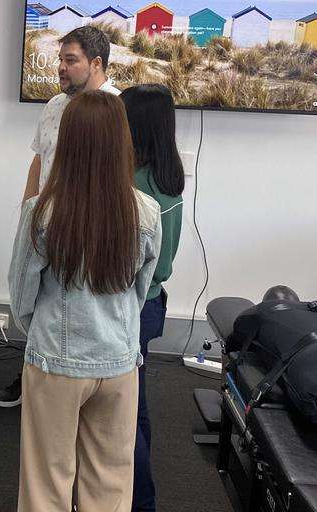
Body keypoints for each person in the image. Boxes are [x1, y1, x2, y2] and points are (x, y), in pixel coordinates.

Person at [9, 90, 162, 512]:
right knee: (111, 484)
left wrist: (40, 335)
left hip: (55, 362)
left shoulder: (41, 211)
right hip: (119, 362)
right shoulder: (147, 213)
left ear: (69, 141)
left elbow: (21, 294)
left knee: (46, 482)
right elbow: (141, 289)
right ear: (122, 143)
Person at [0, 25, 120, 408]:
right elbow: (39, 160)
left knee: (76, 310)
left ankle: (84, 387)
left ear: (96, 63)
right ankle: (33, 372)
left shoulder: (117, 111)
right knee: (35, 302)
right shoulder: (54, 105)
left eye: (71, 60)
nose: (61, 68)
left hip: (89, 231)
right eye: (60, 60)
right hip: (45, 224)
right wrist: (28, 213)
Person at [120, 84, 185, 512]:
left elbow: (144, 267)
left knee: (122, 418)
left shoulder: (136, 186)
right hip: (152, 305)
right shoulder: (170, 181)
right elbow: (164, 268)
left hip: (130, 308)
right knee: (135, 407)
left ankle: (139, 500)